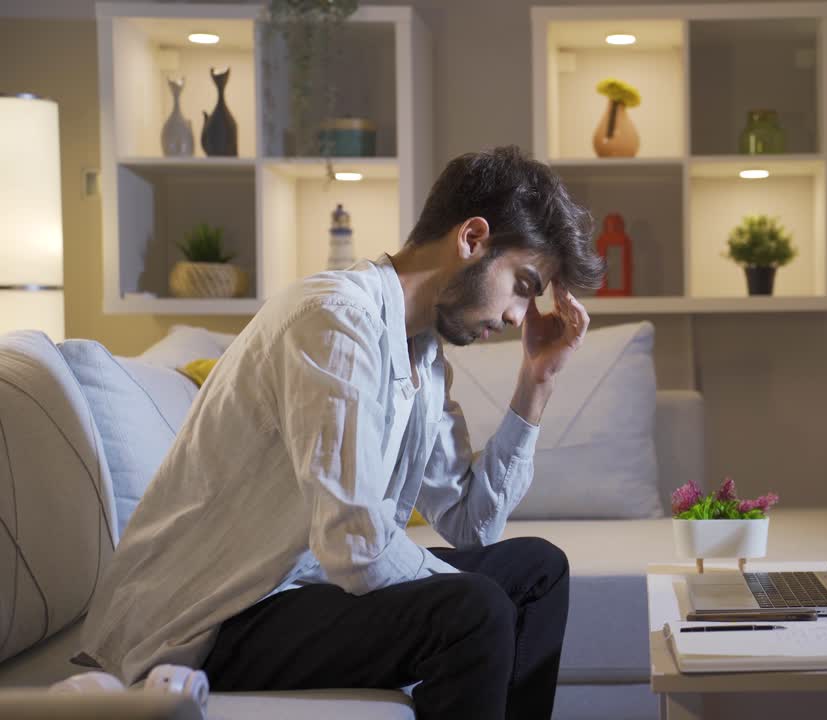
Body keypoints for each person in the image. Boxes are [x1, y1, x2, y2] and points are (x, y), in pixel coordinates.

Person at [78, 146, 607, 720]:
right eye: (524, 284)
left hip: (295, 589)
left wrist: (538, 378)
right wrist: (461, 588)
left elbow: (471, 524)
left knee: (536, 571)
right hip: (209, 618)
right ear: (472, 239)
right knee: (477, 608)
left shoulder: (423, 355)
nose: (516, 317)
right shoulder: (332, 321)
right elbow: (355, 548)